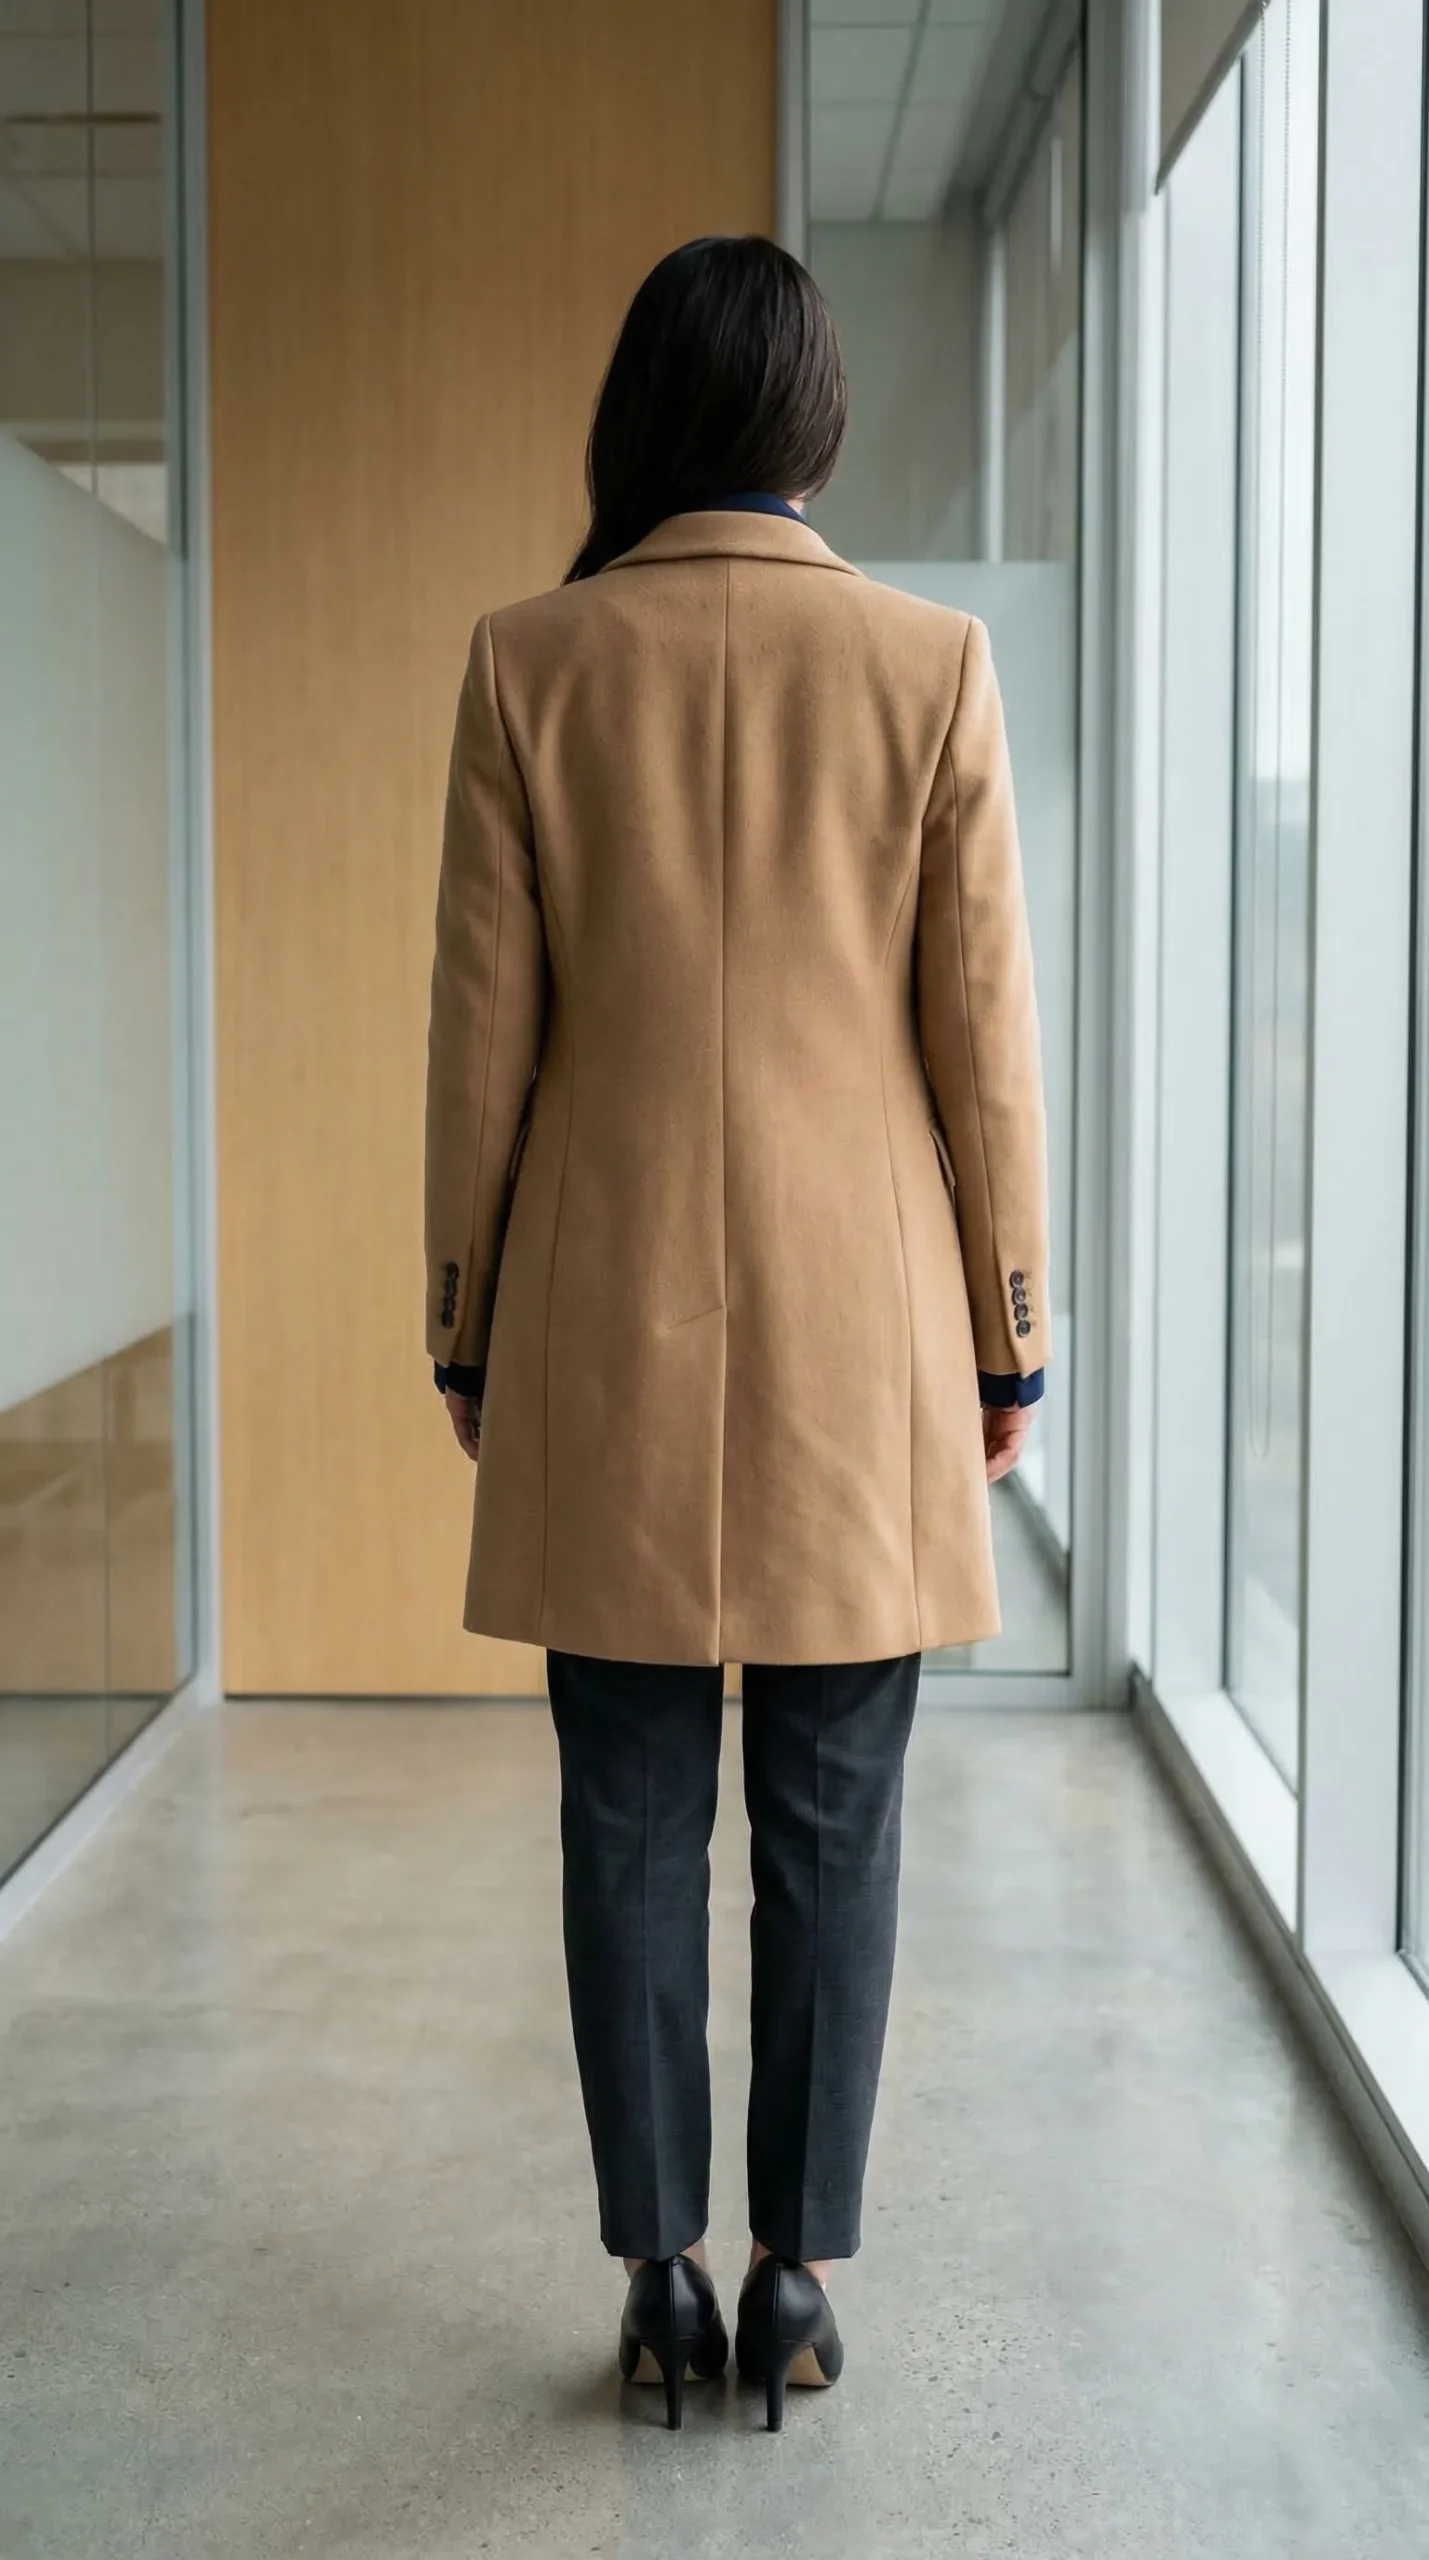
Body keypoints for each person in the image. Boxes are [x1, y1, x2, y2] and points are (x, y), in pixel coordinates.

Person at [424, 235, 1049, 2432]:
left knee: (622, 1821)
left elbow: (481, 1045)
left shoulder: (530, 662)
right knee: (834, 1818)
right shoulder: (931, 666)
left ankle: (657, 2278)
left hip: (600, 1323)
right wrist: (1009, 1337)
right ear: (814, 426)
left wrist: (466, 1322)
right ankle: (795, 2274)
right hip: (863, 1337)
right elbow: (985, 1051)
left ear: (642, 417)